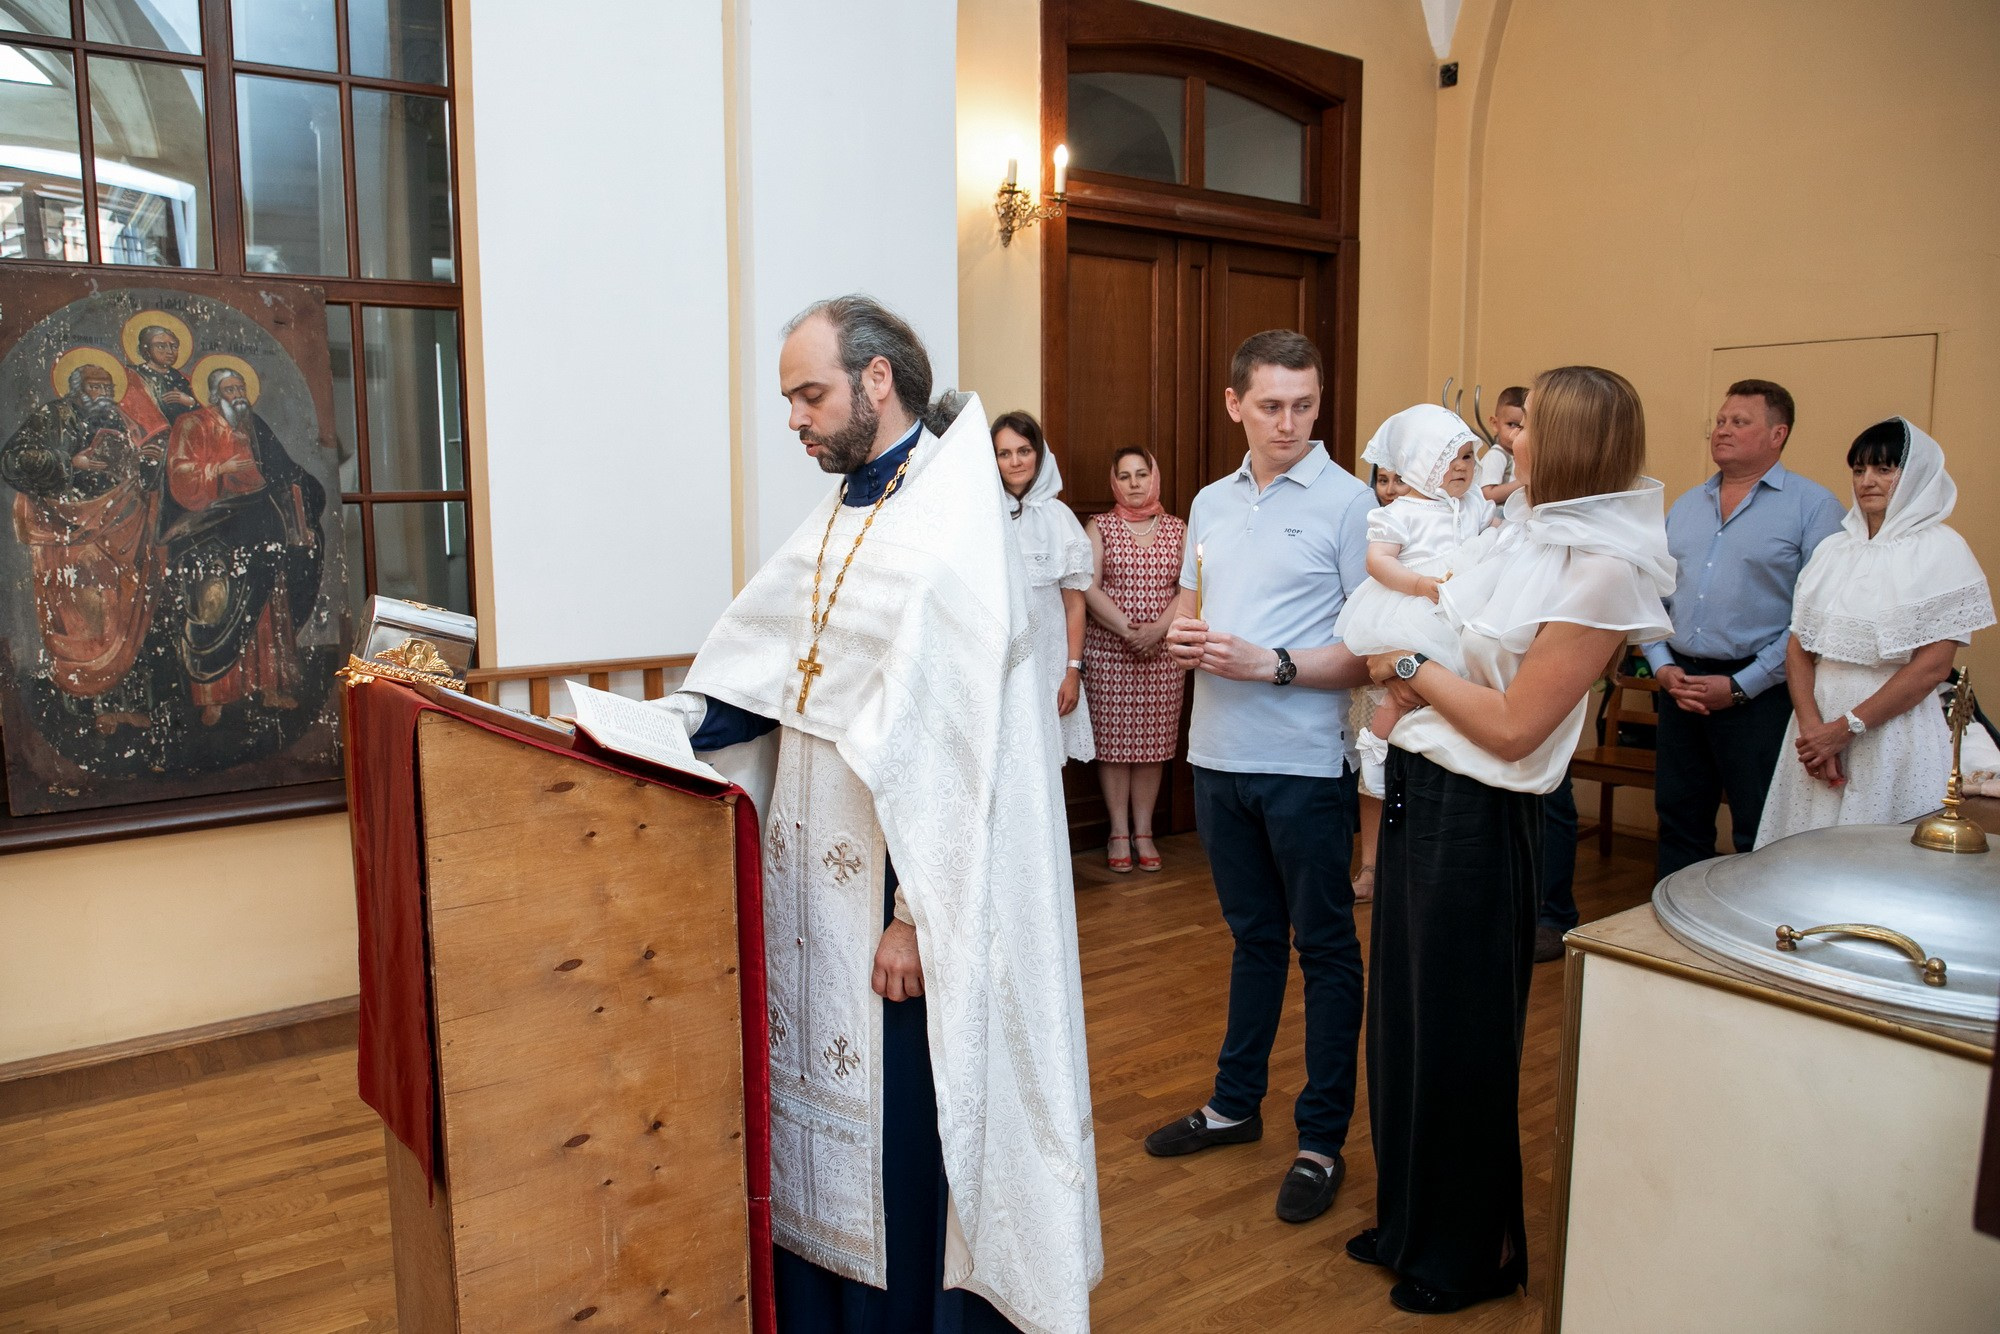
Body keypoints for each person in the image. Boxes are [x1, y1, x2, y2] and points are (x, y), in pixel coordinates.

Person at [661, 295, 1100, 1334]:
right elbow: (766, 668)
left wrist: (914, 912)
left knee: (901, 1128)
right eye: (787, 400)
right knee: (807, 1115)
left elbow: (956, 748)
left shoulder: (950, 527)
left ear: (874, 380)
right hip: (808, 877)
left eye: (808, 394)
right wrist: (654, 726)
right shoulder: (843, 509)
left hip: (896, 903)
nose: (795, 419)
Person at [1349, 365, 1673, 1314]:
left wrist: (1406, 669)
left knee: (1461, 1041)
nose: (1505, 439)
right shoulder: (1517, 530)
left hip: (1483, 818)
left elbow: (1514, 726)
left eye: (1525, 428)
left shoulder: (1603, 568)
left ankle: (1467, 1252)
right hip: (1419, 788)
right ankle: (1410, 1220)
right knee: (1404, 1025)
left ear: (1571, 442)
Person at [1149, 329, 1375, 1229]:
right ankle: (1234, 1107)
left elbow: (1374, 653)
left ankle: (1321, 1140)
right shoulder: (1208, 502)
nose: (1291, 423)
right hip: (1216, 758)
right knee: (1250, 941)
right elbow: (1193, 603)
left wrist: (1271, 662)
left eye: (1306, 405)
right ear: (1235, 403)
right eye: (1273, 405)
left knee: (1324, 951)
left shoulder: (1351, 504)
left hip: (1304, 765)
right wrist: (1180, 629)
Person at [1755, 418, 1994, 845]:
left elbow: (1932, 668)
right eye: (1859, 469)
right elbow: (1799, 647)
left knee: (1878, 858)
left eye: (1884, 469)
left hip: (1891, 733)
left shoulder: (1942, 550)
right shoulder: (1833, 549)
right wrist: (1813, 731)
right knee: (1805, 850)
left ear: (1917, 475)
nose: (1867, 481)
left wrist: (1845, 730)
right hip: (1816, 725)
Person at [1642, 380, 1845, 878]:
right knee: (1678, 817)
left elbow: (1812, 618)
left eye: (1740, 422)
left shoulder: (1814, 507)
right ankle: (1670, 930)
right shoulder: (1687, 505)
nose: (1722, 431)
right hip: (1681, 685)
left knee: (1758, 825)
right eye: (1720, 421)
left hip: (1762, 692)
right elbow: (1651, 596)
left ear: (1778, 434)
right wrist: (1663, 667)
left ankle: (1751, 940)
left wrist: (1740, 686)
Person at [1337, 403, 1494, 794]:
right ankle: (1376, 748)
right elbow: (1377, 562)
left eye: (1468, 457)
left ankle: (1447, 765)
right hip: (1414, 609)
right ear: (1419, 461)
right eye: (1448, 458)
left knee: (1458, 688)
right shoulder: (1401, 512)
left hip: (1461, 610)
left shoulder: (1473, 504)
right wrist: (1418, 584)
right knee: (1400, 693)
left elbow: (1499, 537)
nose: (1461, 466)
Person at [0, 356, 163, 731]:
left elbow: (133, 468)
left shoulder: (120, 420)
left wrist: (147, 461)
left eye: (108, 387)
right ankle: (90, 706)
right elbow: (13, 460)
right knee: (84, 612)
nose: (104, 393)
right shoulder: (51, 415)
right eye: (95, 386)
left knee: (123, 612)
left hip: (119, 525)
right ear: (75, 388)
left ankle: (124, 703)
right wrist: (71, 463)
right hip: (68, 530)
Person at [162, 366, 325, 726]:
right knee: (217, 610)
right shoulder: (192, 424)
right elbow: (179, 473)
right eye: (229, 388)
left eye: (241, 387)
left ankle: (268, 687)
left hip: (259, 527)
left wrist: (305, 504)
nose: (238, 394)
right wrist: (219, 469)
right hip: (213, 530)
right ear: (213, 394)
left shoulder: (253, 425)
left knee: (267, 610)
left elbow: (283, 470)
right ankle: (215, 698)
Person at [1081, 446, 1187, 872]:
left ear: (1153, 477)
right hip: (1110, 652)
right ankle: (1118, 832)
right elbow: (1087, 587)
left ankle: (1144, 831)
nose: (1134, 484)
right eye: (1124, 476)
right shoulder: (1100, 526)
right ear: (1114, 482)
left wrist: (1157, 630)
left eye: (1141, 474)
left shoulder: (1178, 528)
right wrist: (1129, 631)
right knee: (1114, 747)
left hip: (1163, 654)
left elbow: (1188, 589)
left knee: (1153, 746)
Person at [992, 410, 1094, 765]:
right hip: (997, 662)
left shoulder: (1060, 518)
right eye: (1004, 454)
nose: (1015, 461)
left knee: (1047, 765)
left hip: (1050, 664)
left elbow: (1074, 605)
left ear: (1039, 453)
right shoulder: (983, 517)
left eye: (1023, 450)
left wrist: (1072, 671)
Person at [1349, 462, 1407, 903]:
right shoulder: (1371, 528)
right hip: (1377, 661)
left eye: (1398, 480)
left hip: (1430, 664)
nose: (1389, 490)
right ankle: (1370, 864)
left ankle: (1405, 867)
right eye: (1381, 480)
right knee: (1372, 772)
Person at [121, 322, 198, 445]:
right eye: (161, 346)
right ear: (146, 350)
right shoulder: (131, 376)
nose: (169, 351)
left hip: (186, 443)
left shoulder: (185, 379)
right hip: (150, 441)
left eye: (174, 346)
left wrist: (191, 402)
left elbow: (206, 416)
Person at [1475, 385, 1526, 506]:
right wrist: (1524, 482)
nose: (1517, 432)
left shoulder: (1522, 455)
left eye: (1524, 426)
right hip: (1498, 514)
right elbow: (1487, 494)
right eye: (1512, 424)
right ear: (1495, 424)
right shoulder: (1497, 455)